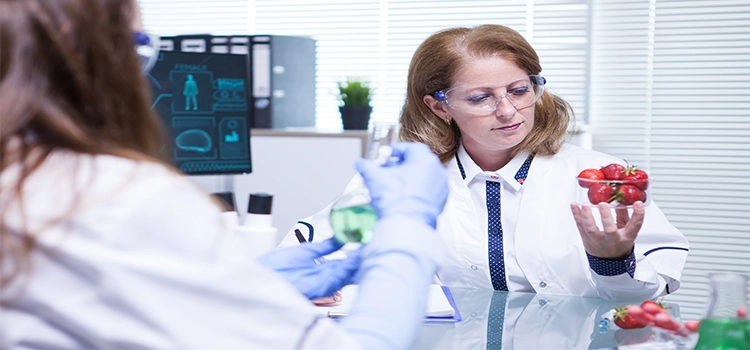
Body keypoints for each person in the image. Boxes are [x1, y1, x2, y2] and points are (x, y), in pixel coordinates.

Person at [0, 0, 450, 348]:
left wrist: (248, 282)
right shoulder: (112, 195)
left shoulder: (23, 178)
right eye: (136, 49)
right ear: (75, 56)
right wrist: (408, 232)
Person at [281, 24, 689, 301]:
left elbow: (654, 289)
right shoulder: (406, 179)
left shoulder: (598, 178)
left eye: (519, 90)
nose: (508, 111)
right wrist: (313, 286)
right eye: (480, 98)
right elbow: (305, 252)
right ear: (440, 107)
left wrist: (612, 260)